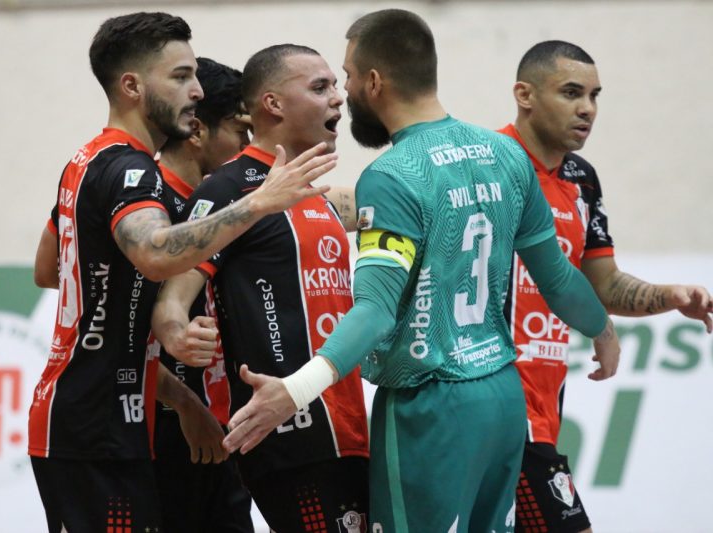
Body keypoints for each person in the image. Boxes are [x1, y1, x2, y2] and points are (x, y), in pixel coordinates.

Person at [221, 10, 621, 533]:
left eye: (345, 78)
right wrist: (603, 329)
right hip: (503, 397)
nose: (343, 94)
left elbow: (375, 312)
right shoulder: (506, 154)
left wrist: (294, 391)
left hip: (430, 405)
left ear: (373, 82)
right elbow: (561, 279)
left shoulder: (391, 175)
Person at [27, 12, 337, 533]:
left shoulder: (87, 159)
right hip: (94, 422)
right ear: (131, 86)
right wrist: (258, 203)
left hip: (100, 416)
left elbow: (49, 265)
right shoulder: (131, 169)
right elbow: (154, 252)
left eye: (194, 76)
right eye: (180, 77)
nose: (195, 91)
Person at [152, 44, 369, 533]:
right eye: (320, 87)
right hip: (288, 433)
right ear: (272, 104)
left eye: (337, 85)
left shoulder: (320, 193)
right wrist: (177, 333)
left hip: (348, 423)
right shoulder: (229, 189)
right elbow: (172, 298)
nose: (338, 99)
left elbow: (392, 203)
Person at [499, 40, 713, 533]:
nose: (587, 109)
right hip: (500, 404)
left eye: (595, 95)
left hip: (547, 406)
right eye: (572, 92)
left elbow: (603, 284)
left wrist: (668, 295)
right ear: (524, 94)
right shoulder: (490, 162)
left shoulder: (581, 179)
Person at [150, 57, 253, 533]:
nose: (247, 147)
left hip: (214, 419)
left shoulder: (223, 202)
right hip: (162, 426)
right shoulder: (148, 208)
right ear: (197, 131)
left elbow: (49, 262)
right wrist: (184, 404)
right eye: (238, 130)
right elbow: (52, 272)